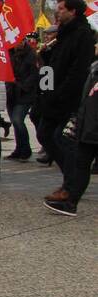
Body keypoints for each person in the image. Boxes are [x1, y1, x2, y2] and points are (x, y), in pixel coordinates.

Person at [38, 0, 97, 199]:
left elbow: (77, 71)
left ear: (73, 11)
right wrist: (45, 55)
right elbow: (55, 65)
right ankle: (69, 182)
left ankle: (71, 186)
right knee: (45, 135)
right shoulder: (63, 33)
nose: (58, 12)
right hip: (53, 95)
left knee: (60, 139)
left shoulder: (83, 35)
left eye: (62, 9)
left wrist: (60, 93)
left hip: (69, 98)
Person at [46, 55, 98, 216]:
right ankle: (71, 202)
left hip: (93, 127)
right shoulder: (94, 69)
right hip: (88, 127)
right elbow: (86, 101)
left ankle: (70, 202)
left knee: (82, 165)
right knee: (81, 165)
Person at [7, 36, 40, 160]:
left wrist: (23, 86)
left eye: (20, 41)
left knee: (17, 120)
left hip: (24, 93)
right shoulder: (9, 53)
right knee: (15, 123)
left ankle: (25, 149)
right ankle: (19, 148)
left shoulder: (31, 55)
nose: (18, 44)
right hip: (11, 92)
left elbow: (34, 75)